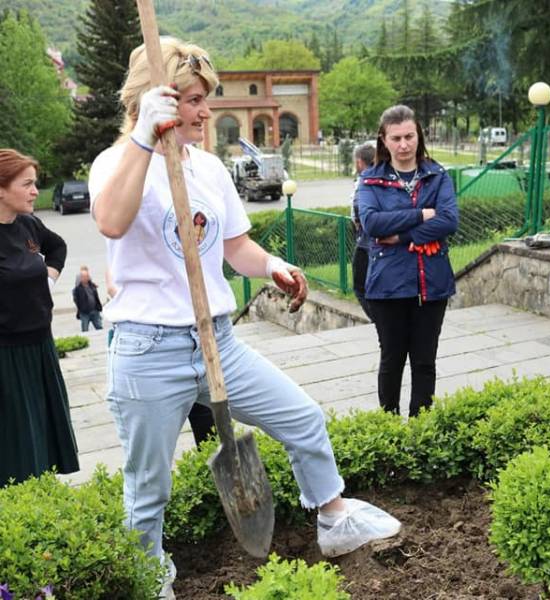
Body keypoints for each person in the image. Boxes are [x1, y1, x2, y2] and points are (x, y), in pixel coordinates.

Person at [89, 37, 400, 598]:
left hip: (219, 341)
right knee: (148, 486)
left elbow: (236, 247)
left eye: (205, 98)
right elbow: (111, 222)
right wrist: (142, 139)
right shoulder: (116, 163)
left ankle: (333, 520)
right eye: (190, 100)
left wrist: (273, 265)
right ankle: (149, 575)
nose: (205, 111)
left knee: (304, 419)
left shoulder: (207, 168)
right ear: (150, 99)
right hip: (147, 349)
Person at [358, 105, 459, 417]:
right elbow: (372, 223)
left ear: (419, 136)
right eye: (396, 138)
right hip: (388, 284)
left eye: (409, 136)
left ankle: (421, 427)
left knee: (425, 360)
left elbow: (448, 220)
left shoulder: (437, 175)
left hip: (432, 283)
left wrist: (403, 236)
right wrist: (421, 215)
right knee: (392, 359)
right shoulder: (370, 180)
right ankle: (389, 428)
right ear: (384, 140)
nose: (404, 145)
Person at [0, 149, 79, 486]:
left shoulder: (29, 224)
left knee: (42, 438)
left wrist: (49, 277)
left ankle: (42, 500)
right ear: (1, 189)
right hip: (6, 356)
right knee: (15, 444)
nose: (36, 191)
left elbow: (57, 247)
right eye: (27, 184)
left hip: (41, 349)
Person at [105, 267, 215, 446]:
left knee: (205, 417)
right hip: (150, 348)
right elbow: (112, 287)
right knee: (155, 433)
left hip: (194, 340)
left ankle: (210, 458)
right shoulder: (125, 254)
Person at [350, 142, 376, 320]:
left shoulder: (365, 179)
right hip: (372, 241)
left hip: (367, 242)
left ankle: (379, 321)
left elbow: (359, 207)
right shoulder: (383, 176)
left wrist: (359, 222)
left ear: (359, 162)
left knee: (360, 287)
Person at [72, 265, 103, 331]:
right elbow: (76, 299)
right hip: (84, 312)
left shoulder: (92, 286)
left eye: (87, 276)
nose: (87, 278)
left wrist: (98, 307)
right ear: (81, 278)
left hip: (94, 310)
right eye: (85, 277)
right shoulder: (78, 288)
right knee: (85, 329)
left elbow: (96, 296)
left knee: (99, 327)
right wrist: (81, 308)